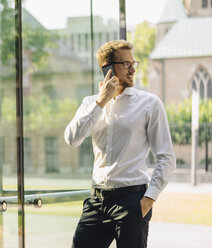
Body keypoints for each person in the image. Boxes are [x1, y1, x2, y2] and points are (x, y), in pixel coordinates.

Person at [64, 40, 176, 248]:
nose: (132, 69)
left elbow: (166, 157)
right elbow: (72, 139)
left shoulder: (149, 103)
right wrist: (101, 102)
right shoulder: (90, 103)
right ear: (107, 67)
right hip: (96, 201)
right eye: (126, 63)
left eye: (134, 63)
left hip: (132, 201)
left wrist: (147, 200)